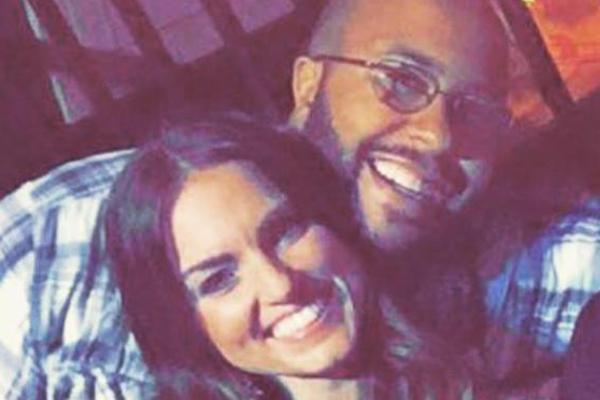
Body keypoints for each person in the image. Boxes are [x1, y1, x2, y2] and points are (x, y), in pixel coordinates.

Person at [1, 0, 595, 396]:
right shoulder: (62, 239)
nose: (438, 136)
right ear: (309, 83)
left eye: (476, 111)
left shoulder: (511, 267)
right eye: (400, 81)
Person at [102, 117, 478, 399]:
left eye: (285, 231)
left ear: (334, 218)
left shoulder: (481, 358)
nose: (279, 285)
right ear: (181, 324)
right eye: (218, 280)